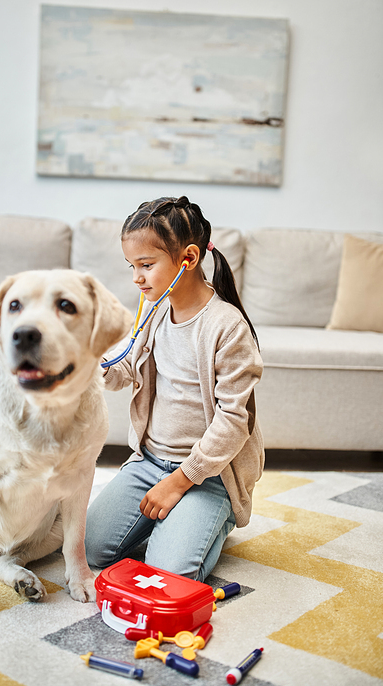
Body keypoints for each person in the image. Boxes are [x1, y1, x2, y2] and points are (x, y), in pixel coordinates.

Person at [85, 196, 264, 582]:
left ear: (189, 258)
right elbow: (123, 368)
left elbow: (235, 421)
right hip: (151, 463)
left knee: (168, 574)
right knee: (91, 549)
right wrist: (86, 362)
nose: (136, 277)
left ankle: (214, 519)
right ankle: (177, 521)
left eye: (146, 265)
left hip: (208, 475)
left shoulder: (227, 327)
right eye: (132, 266)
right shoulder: (153, 312)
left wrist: (180, 482)